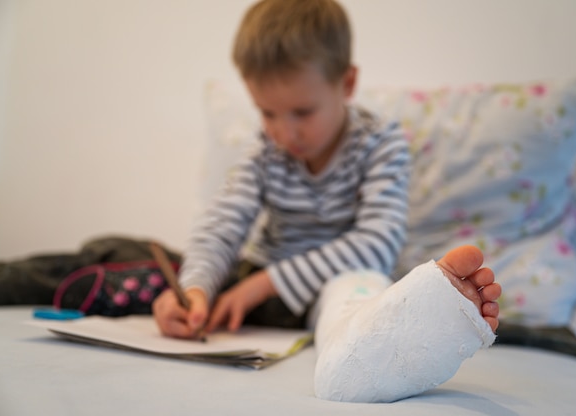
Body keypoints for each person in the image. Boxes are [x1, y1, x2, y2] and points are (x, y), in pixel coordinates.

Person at [153, 0, 501, 403]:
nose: (284, 132)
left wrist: (264, 285)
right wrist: (193, 291)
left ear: (347, 84)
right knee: (150, 264)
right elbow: (221, 225)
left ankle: (375, 353)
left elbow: (376, 244)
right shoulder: (265, 151)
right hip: (261, 285)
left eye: (302, 111)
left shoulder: (380, 144)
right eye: (268, 113)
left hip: (338, 282)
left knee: (354, 297)